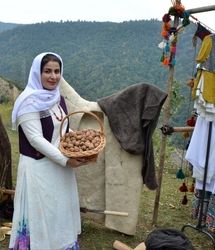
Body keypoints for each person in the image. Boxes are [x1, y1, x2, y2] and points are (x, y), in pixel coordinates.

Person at [9, 52, 88, 250]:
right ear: (37, 73)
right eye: (47, 71)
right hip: (39, 169)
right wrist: (66, 160)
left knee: (59, 212)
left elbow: (62, 129)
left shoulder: (57, 98)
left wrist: (79, 140)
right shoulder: (28, 102)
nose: (53, 76)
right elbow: (36, 140)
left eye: (57, 71)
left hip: (60, 169)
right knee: (42, 214)